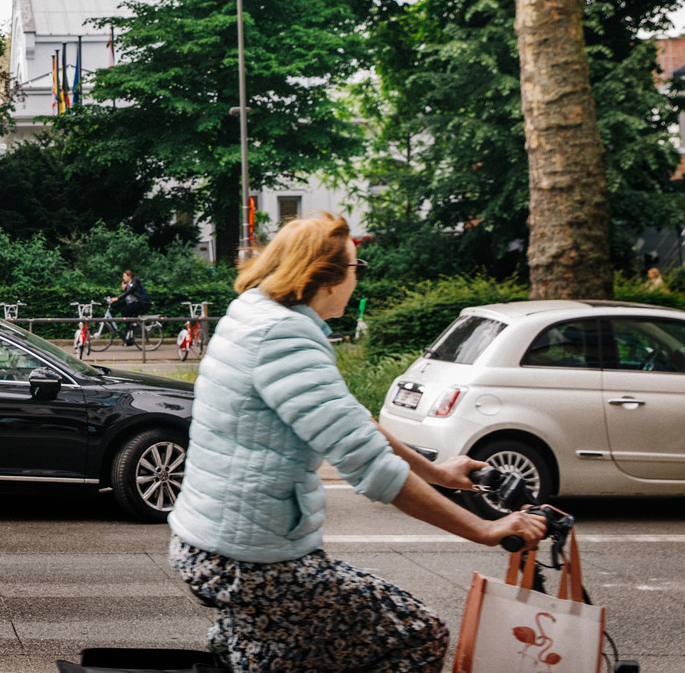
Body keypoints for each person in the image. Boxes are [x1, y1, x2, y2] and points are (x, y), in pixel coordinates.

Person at [167, 212, 547, 672]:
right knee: (417, 634)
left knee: (279, 658)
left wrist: (437, 473)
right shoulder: (286, 340)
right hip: (250, 562)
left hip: (212, 544)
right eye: (355, 267)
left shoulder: (254, 314)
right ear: (324, 279)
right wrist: (484, 529)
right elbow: (373, 467)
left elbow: (352, 423)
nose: (357, 278)